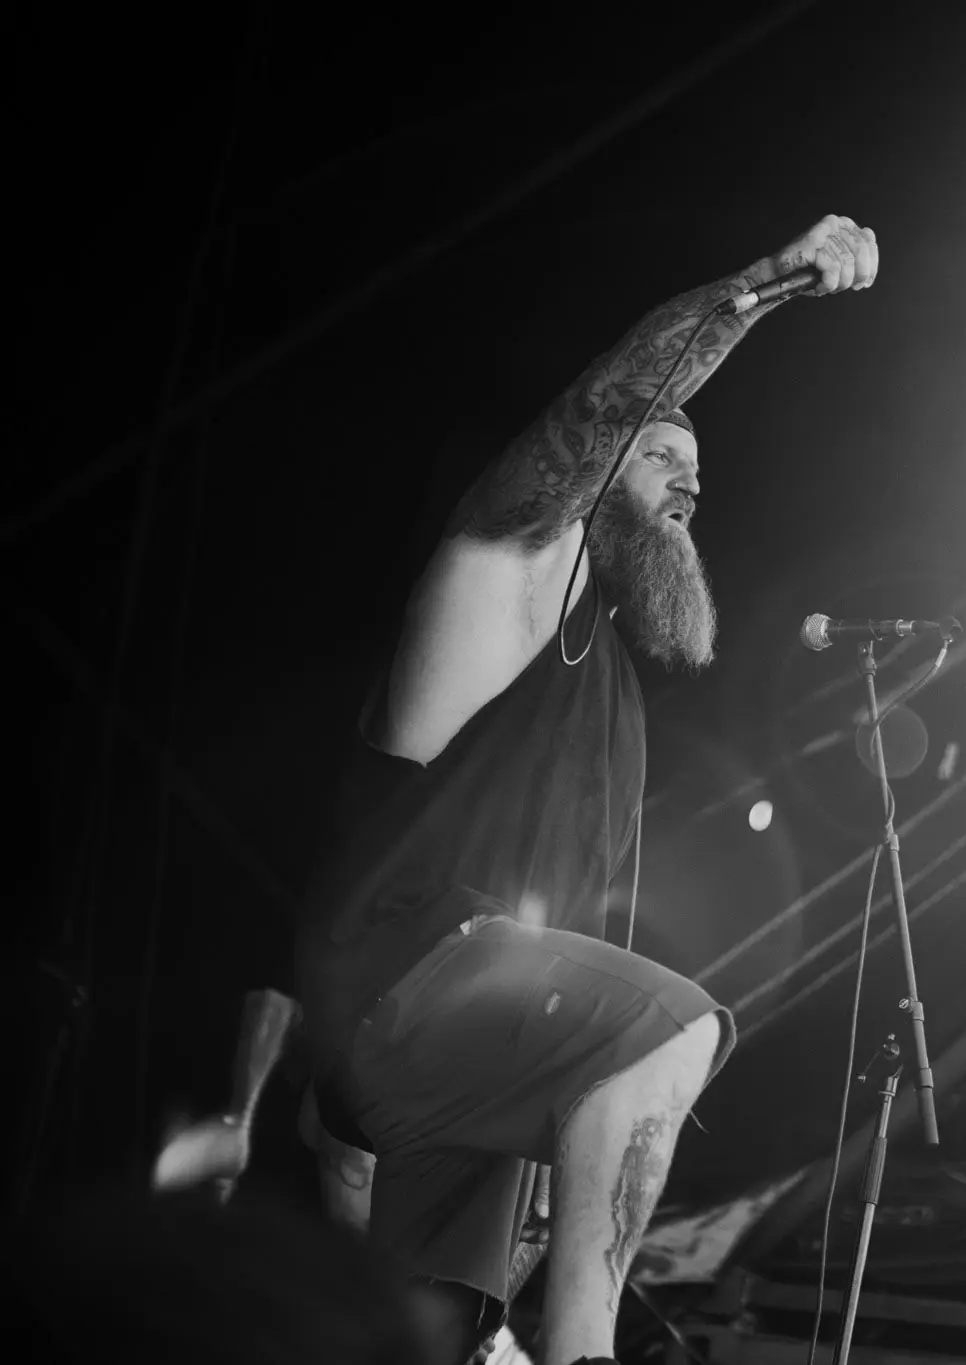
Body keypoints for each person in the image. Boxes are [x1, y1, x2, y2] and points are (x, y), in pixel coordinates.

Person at [294, 214, 881, 1365]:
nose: (690, 481)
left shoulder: (604, 675)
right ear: (595, 472)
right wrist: (763, 285)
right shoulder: (509, 569)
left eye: (696, 469)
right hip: (414, 984)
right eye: (663, 456)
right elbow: (609, 402)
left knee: (431, 1334)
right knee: (669, 1031)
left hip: (483, 1056)